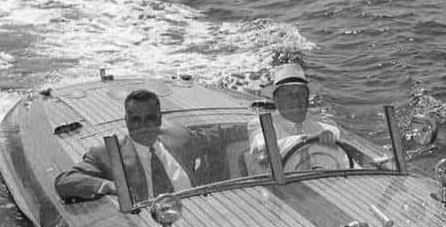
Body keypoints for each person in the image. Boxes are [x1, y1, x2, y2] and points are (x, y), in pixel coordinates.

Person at [54, 89, 211, 202]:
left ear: (159, 118)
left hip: (198, 214)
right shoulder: (107, 154)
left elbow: (217, 138)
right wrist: (111, 186)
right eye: (136, 119)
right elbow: (65, 181)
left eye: (149, 118)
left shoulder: (180, 137)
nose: (143, 125)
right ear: (127, 121)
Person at [247, 63, 349, 171]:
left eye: (302, 94)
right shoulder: (261, 125)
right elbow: (262, 153)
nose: (297, 99)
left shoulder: (329, 131)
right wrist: (306, 139)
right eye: (290, 95)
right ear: (276, 100)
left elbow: (347, 167)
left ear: (308, 98)